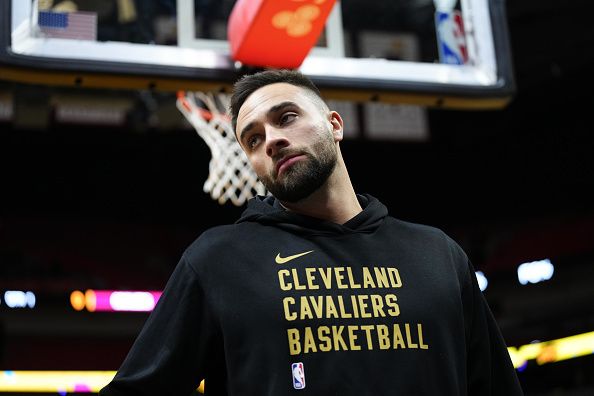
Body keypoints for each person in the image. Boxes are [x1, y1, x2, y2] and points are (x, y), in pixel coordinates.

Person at [100, 69, 523, 395]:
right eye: (252, 139)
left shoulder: (439, 254)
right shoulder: (217, 260)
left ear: (334, 125)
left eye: (286, 117)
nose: (272, 140)